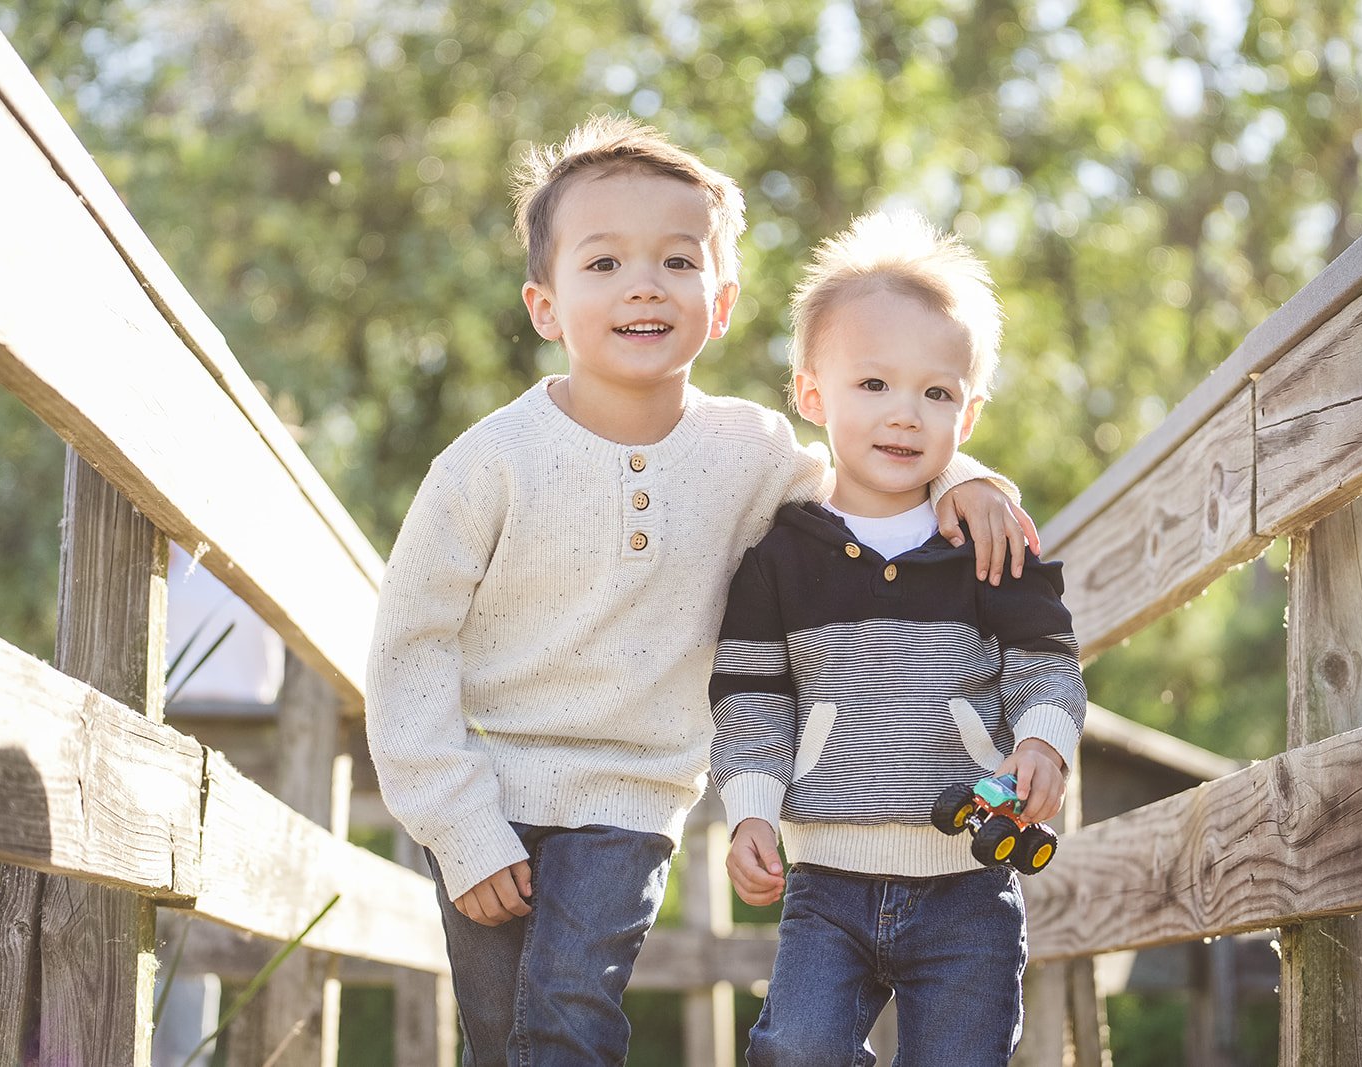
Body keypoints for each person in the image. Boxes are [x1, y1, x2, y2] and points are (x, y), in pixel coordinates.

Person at [364, 116, 1038, 1067]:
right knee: (499, 1032)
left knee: (565, 1015)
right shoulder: (489, 464)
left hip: (632, 795)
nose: (643, 283)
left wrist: (965, 475)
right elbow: (410, 643)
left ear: (719, 305)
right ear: (545, 305)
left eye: (677, 262)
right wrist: (457, 823)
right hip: (484, 784)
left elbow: (869, 475)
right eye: (603, 264)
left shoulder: (752, 453)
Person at [710, 210, 1087, 1067]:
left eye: (936, 392)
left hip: (969, 877)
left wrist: (1044, 740)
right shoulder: (779, 552)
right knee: (797, 1047)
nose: (905, 415)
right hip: (827, 881)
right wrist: (749, 812)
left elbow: (1045, 664)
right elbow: (751, 700)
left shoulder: (986, 540)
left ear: (970, 409)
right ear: (812, 394)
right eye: (872, 385)